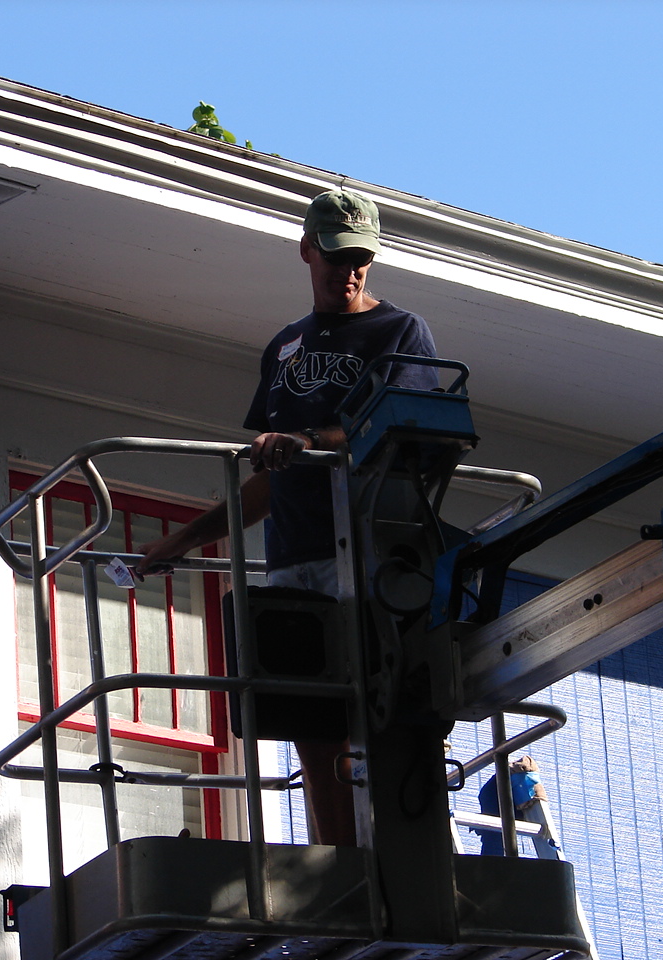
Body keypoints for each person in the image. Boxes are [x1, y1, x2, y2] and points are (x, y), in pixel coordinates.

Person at [136, 188, 438, 846]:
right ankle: (339, 863)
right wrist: (185, 539)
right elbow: (271, 480)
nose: (349, 270)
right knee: (311, 722)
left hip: (365, 552)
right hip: (291, 557)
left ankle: (393, 860)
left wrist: (307, 440)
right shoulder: (283, 347)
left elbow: (399, 431)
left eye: (361, 258)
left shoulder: (400, 331)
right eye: (336, 255)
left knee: (375, 713)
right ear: (306, 251)